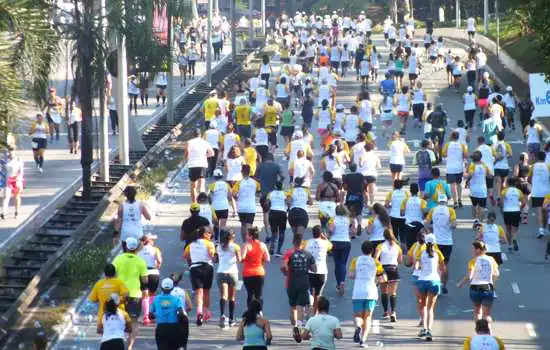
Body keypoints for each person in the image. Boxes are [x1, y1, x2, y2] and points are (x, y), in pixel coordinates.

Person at [112, 237, 148, 350]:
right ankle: (130, 346)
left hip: (120, 294)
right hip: (135, 295)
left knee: (118, 319)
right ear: (136, 248)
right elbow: (145, 280)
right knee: (134, 321)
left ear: (126, 246)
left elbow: (111, 273)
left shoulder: (117, 259)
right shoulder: (140, 261)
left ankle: (119, 342)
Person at [349, 240, 385, 348]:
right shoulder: (376, 262)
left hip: (358, 291)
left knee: (358, 315)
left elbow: (351, 275)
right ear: (372, 250)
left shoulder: (356, 260)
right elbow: (382, 278)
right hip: (371, 291)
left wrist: (359, 275)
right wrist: (377, 280)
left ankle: (358, 327)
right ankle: (363, 340)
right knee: (368, 317)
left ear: (362, 249)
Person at [282, 234, 316, 343]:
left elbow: (283, 267)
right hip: (304, 282)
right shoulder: (308, 255)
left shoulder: (289, 253)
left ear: (293, 242)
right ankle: (300, 327)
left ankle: (295, 326)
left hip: (291, 283)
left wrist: (287, 272)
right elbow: (314, 269)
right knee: (301, 305)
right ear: (302, 244)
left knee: (293, 307)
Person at [457, 241, 500, 323]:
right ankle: (488, 332)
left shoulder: (473, 261)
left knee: (477, 312)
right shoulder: (491, 259)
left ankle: (478, 332)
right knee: (486, 315)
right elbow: (496, 274)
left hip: (475, 288)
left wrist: (460, 284)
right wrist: (493, 285)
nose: (471, 251)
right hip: (487, 287)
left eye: (473, 249)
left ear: (478, 250)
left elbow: (469, 276)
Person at [415, 233, 446, 341]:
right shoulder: (438, 253)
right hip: (434, 281)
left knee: (423, 305)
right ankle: (429, 330)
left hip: (422, 280)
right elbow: (443, 269)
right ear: (435, 242)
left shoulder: (421, 252)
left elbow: (416, 266)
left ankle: (424, 328)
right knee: (430, 308)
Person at [183, 227, 215, 326]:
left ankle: (199, 312)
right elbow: (211, 255)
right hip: (207, 267)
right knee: (206, 291)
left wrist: (193, 258)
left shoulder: (191, 244)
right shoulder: (209, 244)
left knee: (198, 292)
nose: (210, 235)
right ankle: (205, 312)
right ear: (204, 234)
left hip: (195, 268)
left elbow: (185, 256)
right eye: (209, 233)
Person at [425, 194, 456, 295]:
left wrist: (430, 230)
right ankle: (444, 286)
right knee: (445, 264)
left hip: (435, 242)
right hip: (447, 242)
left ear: (438, 201)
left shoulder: (433, 210)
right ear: (446, 201)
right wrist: (449, 226)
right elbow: (454, 225)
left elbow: (426, 223)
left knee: (436, 264)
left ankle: (436, 285)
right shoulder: (450, 210)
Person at [150, 278, 188, 350]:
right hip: (174, 328)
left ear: (161, 287)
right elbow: (181, 313)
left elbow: (150, 315)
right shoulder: (176, 299)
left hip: (161, 328)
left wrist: (155, 315)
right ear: (172, 288)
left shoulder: (156, 299)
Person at [89, 264, 129, 329]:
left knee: (105, 337)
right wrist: (119, 301)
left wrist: (102, 299)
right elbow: (126, 295)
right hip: (119, 315)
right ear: (115, 272)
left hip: (103, 317)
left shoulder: (99, 284)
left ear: (104, 273)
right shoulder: (119, 282)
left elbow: (93, 299)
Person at [375, 229, 403, 322]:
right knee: (393, 293)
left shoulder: (380, 246)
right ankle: (393, 312)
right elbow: (400, 261)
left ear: (384, 236)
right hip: (394, 269)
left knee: (384, 292)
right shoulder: (397, 247)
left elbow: (375, 258)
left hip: (383, 269)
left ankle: (386, 312)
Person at [216, 229, 241, 328]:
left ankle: (222, 314)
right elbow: (239, 259)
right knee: (232, 297)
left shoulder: (218, 247)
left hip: (221, 272)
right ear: (231, 237)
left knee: (223, 296)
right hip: (233, 273)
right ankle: (231, 319)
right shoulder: (235, 247)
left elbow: (215, 259)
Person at [304, 225, 332, 315]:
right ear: (321, 234)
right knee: (318, 294)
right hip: (322, 271)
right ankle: (314, 314)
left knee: (310, 291)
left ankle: (309, 306)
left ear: (312, 233)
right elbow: (331, 246)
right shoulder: (325, 243)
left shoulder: (307, 242)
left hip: (309, 271)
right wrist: (325, 238)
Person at [241, 227, 270, 308]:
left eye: (247, 234)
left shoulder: (246, 245)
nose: (246, 236)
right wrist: (260, 259)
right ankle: (259, 312)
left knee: (250, 294)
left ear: (251, 236)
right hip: (259, 272)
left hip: (248, 273)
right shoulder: (263, 245)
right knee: (259, 294)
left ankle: (250, 312)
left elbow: (242, 258)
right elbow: (268, 259)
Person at [138, 233, 162, 325]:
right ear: (148, 241)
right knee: (152, 295)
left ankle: (145, 317)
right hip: (153, 273)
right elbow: (159, 261)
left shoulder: (139, 250)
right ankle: (150, 314)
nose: (153, 241)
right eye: (152, 240)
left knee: (144, 295)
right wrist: (157, 266)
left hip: (143, 273)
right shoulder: (155, 249)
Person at [185, 129, 214, 202]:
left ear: (193, 135)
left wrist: (188, 158)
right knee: (202, 180)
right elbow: (212, 153)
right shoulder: (205, 142)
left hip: (192, 165)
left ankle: (194, 203)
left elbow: (187, 152)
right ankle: (202, 192)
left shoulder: (189, 142)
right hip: (202, 164)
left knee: (193, 186)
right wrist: (205, 156)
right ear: (200, 134)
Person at [328, 205, 352, 295]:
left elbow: (331, 230)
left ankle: (338, 283)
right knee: (343, 263)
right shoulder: (348, 219)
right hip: (346, 242)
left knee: (337, 264)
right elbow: (352, 231)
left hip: (334, 242)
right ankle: (342, 281)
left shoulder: (333, 219)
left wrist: (328, 232)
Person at [233, 165, 261, 241]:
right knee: (249, 225)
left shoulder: (238, 183)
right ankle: (249, 241)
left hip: (241, 207)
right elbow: (258, 193)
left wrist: (237, 198)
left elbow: (234, 194)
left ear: (242, 172)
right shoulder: (255, 183)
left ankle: (244, 242)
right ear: (249, 172)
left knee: (243, 224)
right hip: (251, 207)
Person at [465, 150, 493, 224]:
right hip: (482, 189)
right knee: (482, 207)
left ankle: (475, 220)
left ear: (473, 159)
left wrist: (466, 180)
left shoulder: (472, 166)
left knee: (474, 205)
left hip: (474, 189)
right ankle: (480, 222)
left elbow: (470, 175)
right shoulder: (484, 165)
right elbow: (490, 176)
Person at [442, 131, 468, 208]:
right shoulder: (461, 145)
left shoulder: (447, 145)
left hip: (450, 168)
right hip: (459, 167)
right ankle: (460, 200)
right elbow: (466, 155)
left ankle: (455, 202)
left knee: (452, 185)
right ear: (458, 137)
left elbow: (443, 154)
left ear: (451, 137)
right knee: (459, 184)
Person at [501, 178, 526, 251]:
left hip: (507, 211)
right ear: (515, 184)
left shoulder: (504, 191)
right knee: (514, 229)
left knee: (508, 229)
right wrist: (520, 208)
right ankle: (514, 239)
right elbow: (524, 203)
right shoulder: (519, 191)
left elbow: (502, 202)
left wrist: (503, 209)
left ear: (508, 184)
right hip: (516, 211)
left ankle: (509, 245)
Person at [209, 169, 235, 238]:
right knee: (223, 226)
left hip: (215, 207)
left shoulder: (212, 185)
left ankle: (216, 240)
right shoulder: (227, 185)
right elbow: (230, 197)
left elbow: (209, 197)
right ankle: (222, 240)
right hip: (224, 207)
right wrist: (233, 209)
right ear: (221, 176)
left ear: (214, 177)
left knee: (216, 225)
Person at [401, 183, 428, 250]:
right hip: (419, 225)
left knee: (410, 246)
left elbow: (401, 213)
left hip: (409, 224)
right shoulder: (422, 201)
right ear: (418, 190)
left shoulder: (405, 200)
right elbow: (424, 213)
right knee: (420, 245)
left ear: (410, 191)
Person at [1, 147, 24, 220]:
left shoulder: (18, 160)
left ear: (15, 152)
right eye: (10, 152)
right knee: (6, 197)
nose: (11, 153)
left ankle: (16, 212)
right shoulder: (4, 160)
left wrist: (19, 179)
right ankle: (4, 213)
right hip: (7, 180)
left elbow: (21, 171)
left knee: (16, 197)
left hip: (16, 180)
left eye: (12, 152)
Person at [343, 163, 365, 235]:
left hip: (350, 196)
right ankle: (359, 224)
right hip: (359, 195)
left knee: (351, 213)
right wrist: (362, 190)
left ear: (349, 168)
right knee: (359, 211)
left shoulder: (347, 176)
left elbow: (345, 187)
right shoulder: (360, 175)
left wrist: (348, 188)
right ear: (356, 168)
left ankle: (353, 228)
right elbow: (365, 183)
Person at [266, 181, 287, 256]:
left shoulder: (270, 193)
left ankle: (271, 248)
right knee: (282, 232)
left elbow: (267, 203)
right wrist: (288, 208)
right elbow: (288, 202)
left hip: (273, 212)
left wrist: (268, 210)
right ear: (282, 186)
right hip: (282, 213)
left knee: (274, 232)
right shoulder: (285, 193)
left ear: (275, 186)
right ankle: (278, 250)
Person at [385, 179, 409, 244]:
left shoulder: (391, 193)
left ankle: (395, 249)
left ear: (394, 186)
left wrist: (391, 206)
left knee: (394, 235)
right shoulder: (406, 193)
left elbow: (386, 205)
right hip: (403, 216)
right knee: (403, 235)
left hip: (393, 216)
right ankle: (403, 250)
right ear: (402, 186)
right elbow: (409, 204)